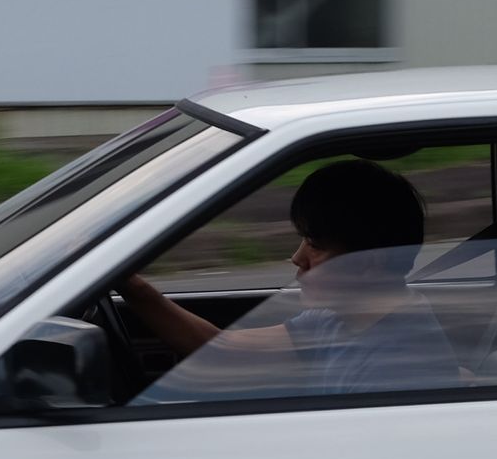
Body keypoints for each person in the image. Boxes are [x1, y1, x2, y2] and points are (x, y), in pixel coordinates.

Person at [119, 158, 461, 398]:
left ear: (369, 263)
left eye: (314, 245)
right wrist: (133, 287)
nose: (297, 259)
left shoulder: (399, 364)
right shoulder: (338, 320)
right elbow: (221, 350)